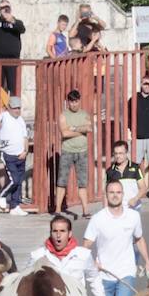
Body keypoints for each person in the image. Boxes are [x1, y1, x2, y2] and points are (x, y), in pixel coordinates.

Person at [85, 179, 149, 296]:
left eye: (118, 192)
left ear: (123, 194)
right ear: (106, 195)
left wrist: (147, 261)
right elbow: (85, 247)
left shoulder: (133, 217)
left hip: (125, 273)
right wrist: (92, 263)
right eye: (111, 192)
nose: (115, 195)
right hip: (104, 275)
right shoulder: (98, 219)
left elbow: (139, 239)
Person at [31, 214, 110, 296]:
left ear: (69, 234)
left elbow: (94, 279)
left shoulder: (83, 255)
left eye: (62, 231)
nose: (58, 235)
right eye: (55, 231)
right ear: (50, 233)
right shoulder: (38, 256)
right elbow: (26, 281)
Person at [55, 90, 91, 218]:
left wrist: (73, 129)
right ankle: (58, 210)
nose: (74, 104)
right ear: (68, 102)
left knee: (82, 182)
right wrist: (80, 131)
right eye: (71, 102)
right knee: (62, 181)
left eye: (76, 101)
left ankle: (86, 210)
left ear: (79, 101)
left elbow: (89, 128)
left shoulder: (85, 114)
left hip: (82, 152)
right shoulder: (63, 115)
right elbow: (64, 133)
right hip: (67, 151)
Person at [0, 96, 29, 216]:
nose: (17, 110)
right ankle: (2, 195)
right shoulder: (4, 116)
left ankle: (15, 206)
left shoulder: (21, 120)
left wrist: (25, 151)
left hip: (20, 155)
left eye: (19, 108)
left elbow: (25, 137)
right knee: (13, 179)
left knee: (19, 181)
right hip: (8, 154)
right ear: (8, 108)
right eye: (14, 108)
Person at [105, 139, 146, 209]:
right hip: (117, 209)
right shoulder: (110, 171)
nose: (118, 156)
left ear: (126, 153)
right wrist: (106, 209)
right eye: (116, 153)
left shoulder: (135, 168)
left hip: (134, 208)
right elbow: (106, 193)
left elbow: (143, 188)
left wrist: (135, 199)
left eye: (120, 153)